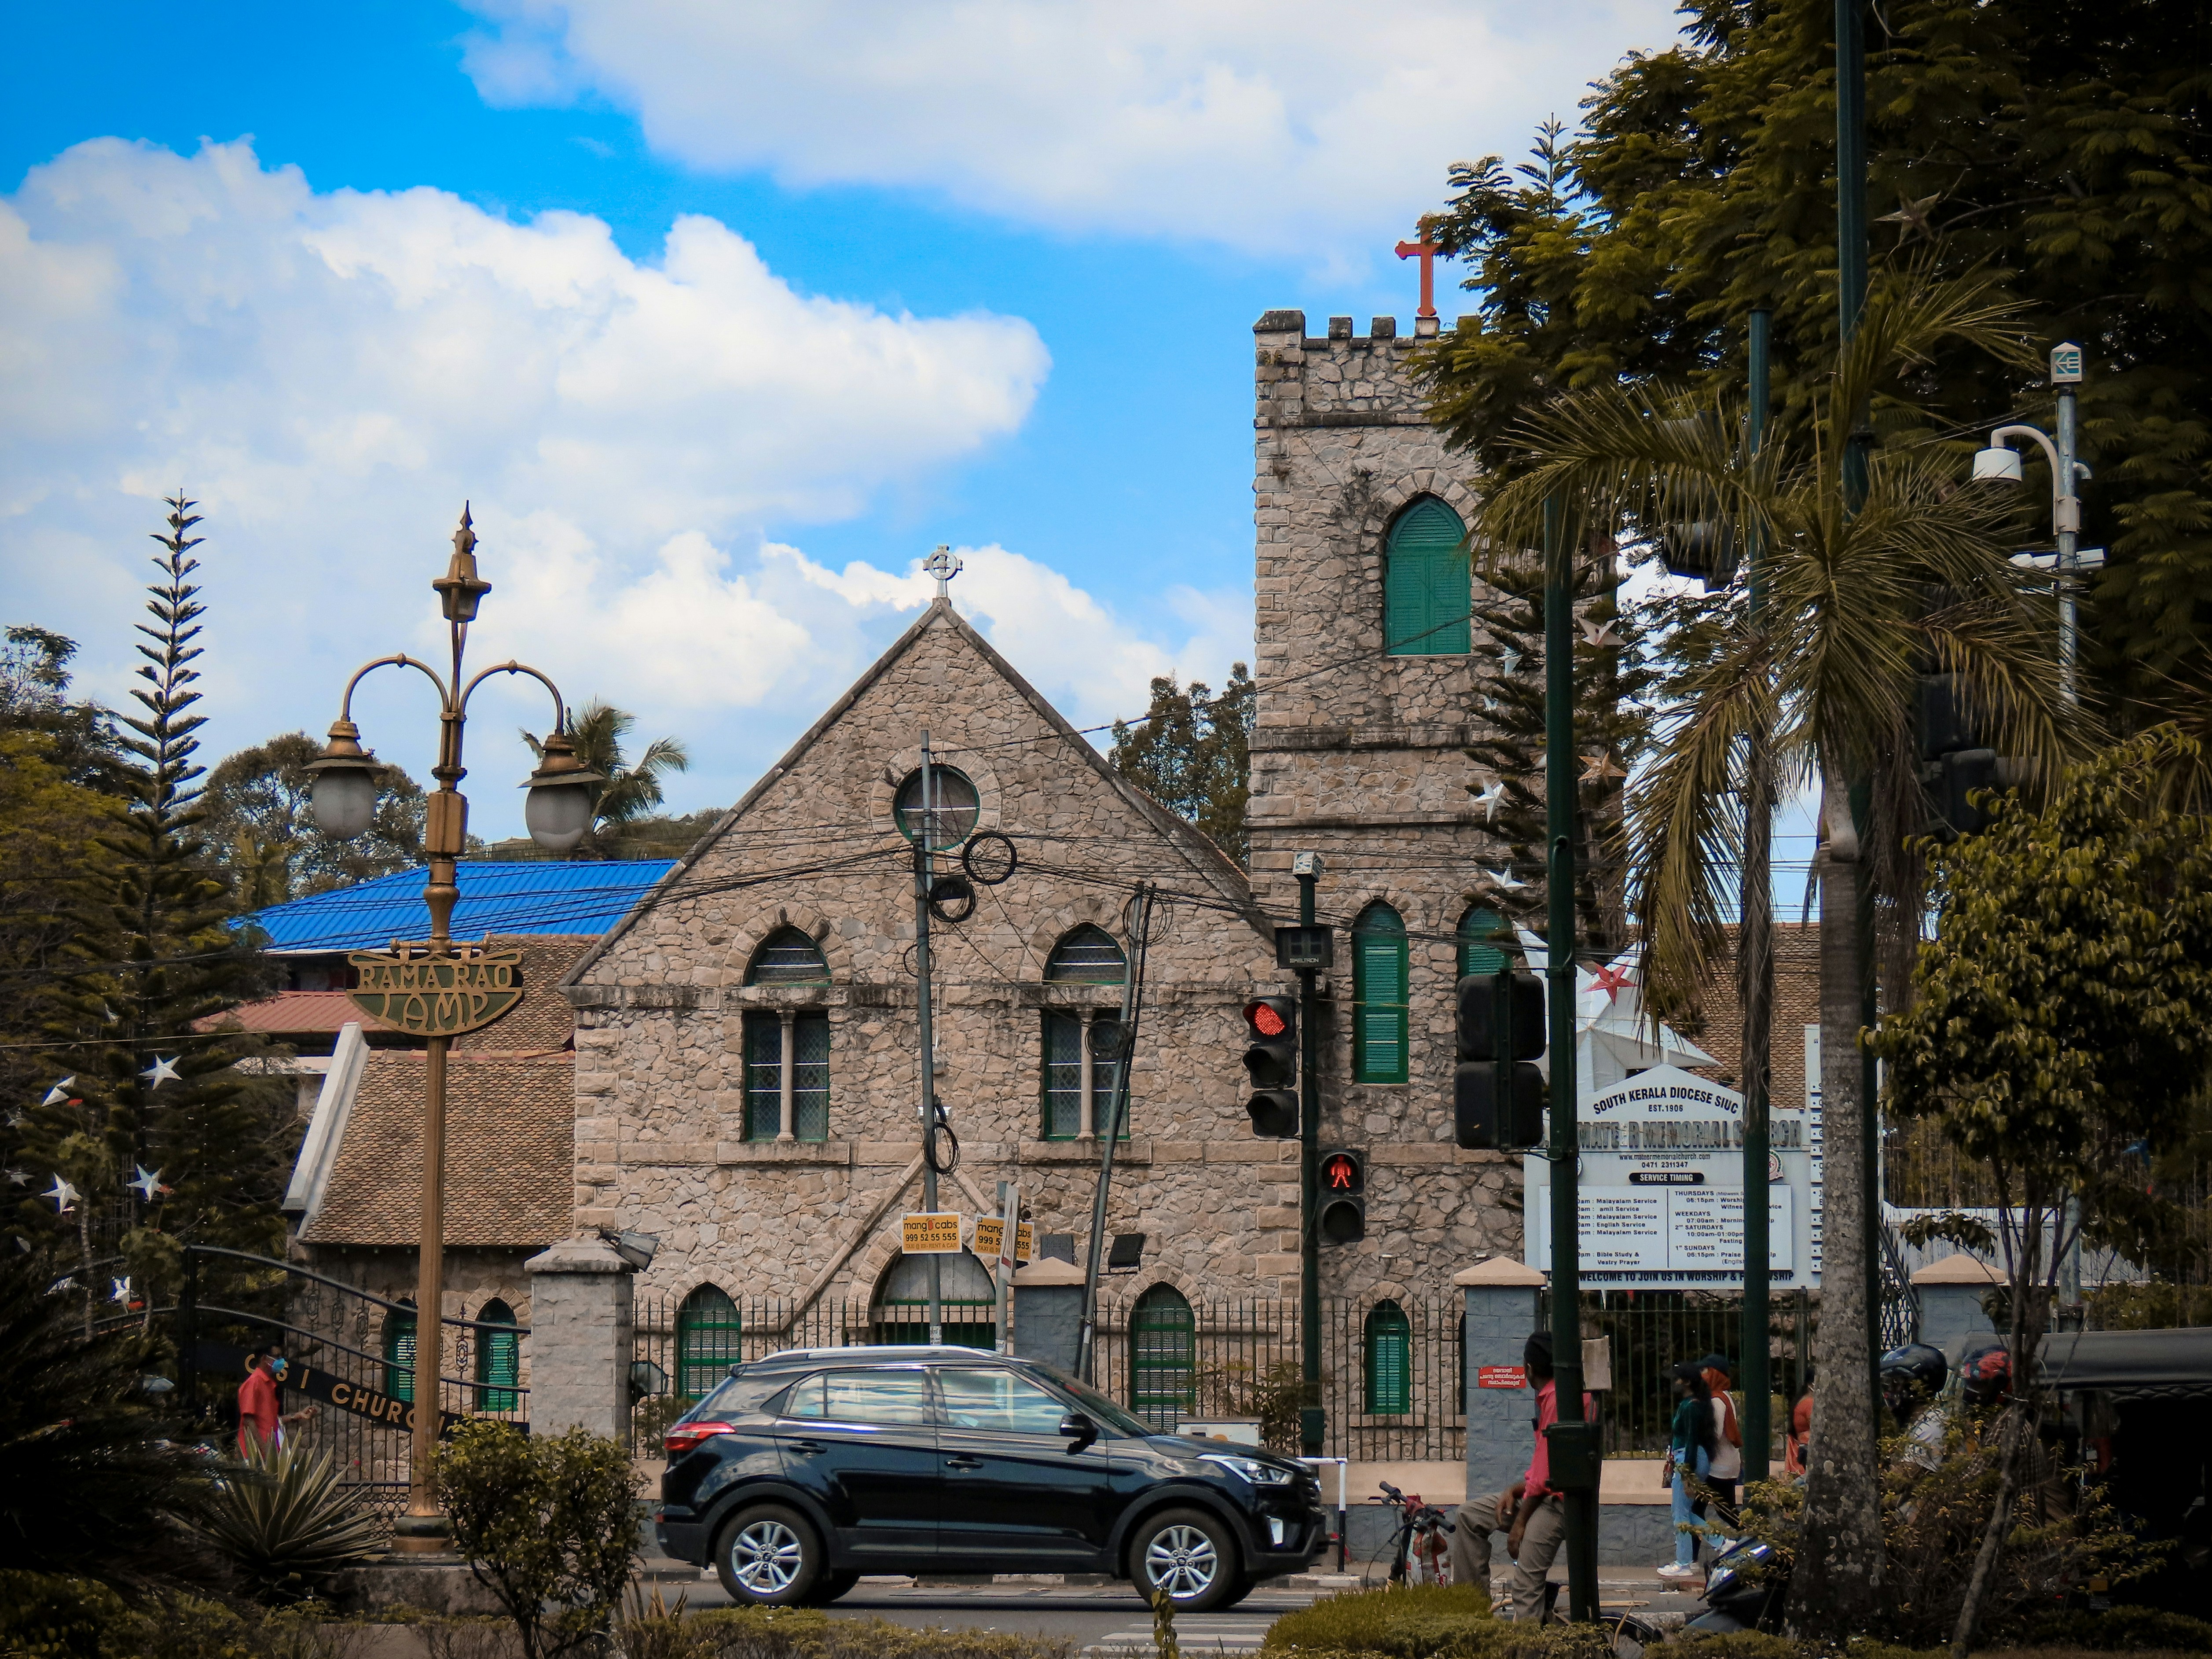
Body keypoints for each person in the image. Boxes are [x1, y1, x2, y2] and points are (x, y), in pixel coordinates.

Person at [1450, 1332, 1593, 1622]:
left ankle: (1527, 1650)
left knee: (1525, 1586)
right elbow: (1542, 1469)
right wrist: (1514, 1490)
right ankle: (1472, 1617)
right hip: (1539, 1496)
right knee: (1469, 1516)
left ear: (1528, 1368)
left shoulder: (1559, 1400)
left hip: (1557, 1504)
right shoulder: (1555, 1396)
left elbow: (1544, 1479)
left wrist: (1519, 1524)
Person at [1658, 1360, 1718, 1582]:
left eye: (1678, 1378)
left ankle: (1683, 1562)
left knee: (1680, 1514)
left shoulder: (1692, 1407)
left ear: (1687, 1382)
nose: (1674, 1382)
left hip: (1689, 1459)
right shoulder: (1692, 1404)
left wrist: (1687, 1475)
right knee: (1684, 1512)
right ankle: (1723, 1542)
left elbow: (1692, 1441)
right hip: (1688, 1458)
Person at [235, 1346, 314, 1456]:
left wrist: (296, 1416)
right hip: (255, 1455)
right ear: (264, 1358)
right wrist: (264, 1449)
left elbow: (269, 1420)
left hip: (268, 1452)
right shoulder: (254, 1383)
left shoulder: (268, 1384)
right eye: (277, 1357)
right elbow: (248, 1420)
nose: (281, 1361)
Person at [1698, 1353, 1743, 1530]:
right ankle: (1758, 1540)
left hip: (1718, 1468)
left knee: (1699, 1511)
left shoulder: (1717, 1401)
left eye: (1705, 1371)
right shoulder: (1725, 1396)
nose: (1702, 1375)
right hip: (1728, 1465)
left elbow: (1713, 1436)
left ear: (1715, 1374)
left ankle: (1759, 1541)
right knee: (1726, 1512)